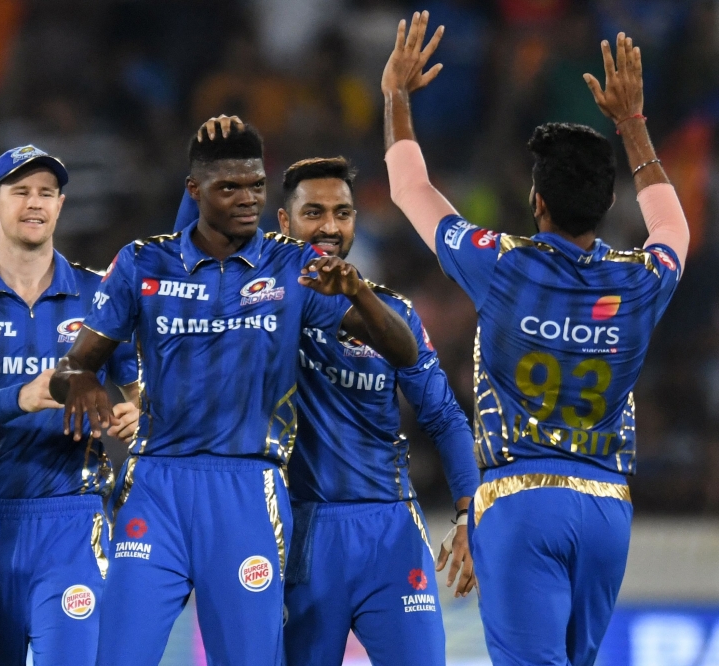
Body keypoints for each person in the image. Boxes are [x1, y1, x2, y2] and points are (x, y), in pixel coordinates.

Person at [49, 122, 419, 665]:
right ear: (194, 192)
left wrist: (359, 293)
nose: (247, 199)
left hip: (248, 491)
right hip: (156, 487)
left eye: (255, 185)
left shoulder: (294, 266)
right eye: (229, 188)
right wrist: (79, 381)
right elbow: (72, 366)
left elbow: (405, 352)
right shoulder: (142, 263)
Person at [381, 13, 688, 666]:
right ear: (606, 204)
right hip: (608, 509)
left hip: (523, 502)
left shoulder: (502, 263)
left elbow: (411, 188)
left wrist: (396, 98)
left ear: (536, 202)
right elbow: (673, 226)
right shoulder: (639, 279)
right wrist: (633, 125)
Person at [173, 129, 478, 664]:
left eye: (343, 213)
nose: (331, 227)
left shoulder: (393, 316)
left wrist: (468, 514)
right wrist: (198, 178)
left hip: (391, 532)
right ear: (284, 223)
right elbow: (187, 268)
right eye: (314, 212)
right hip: (300, 534)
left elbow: (445, 416)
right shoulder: (257, 304)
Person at [0, 145, 140, 666]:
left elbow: (136, 395)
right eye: (20, 191)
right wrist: (21, 398)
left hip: (73, 519)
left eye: (46, 193)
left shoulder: (100, 295)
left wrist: (136, 414)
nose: (34, 203)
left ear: (61, 205)